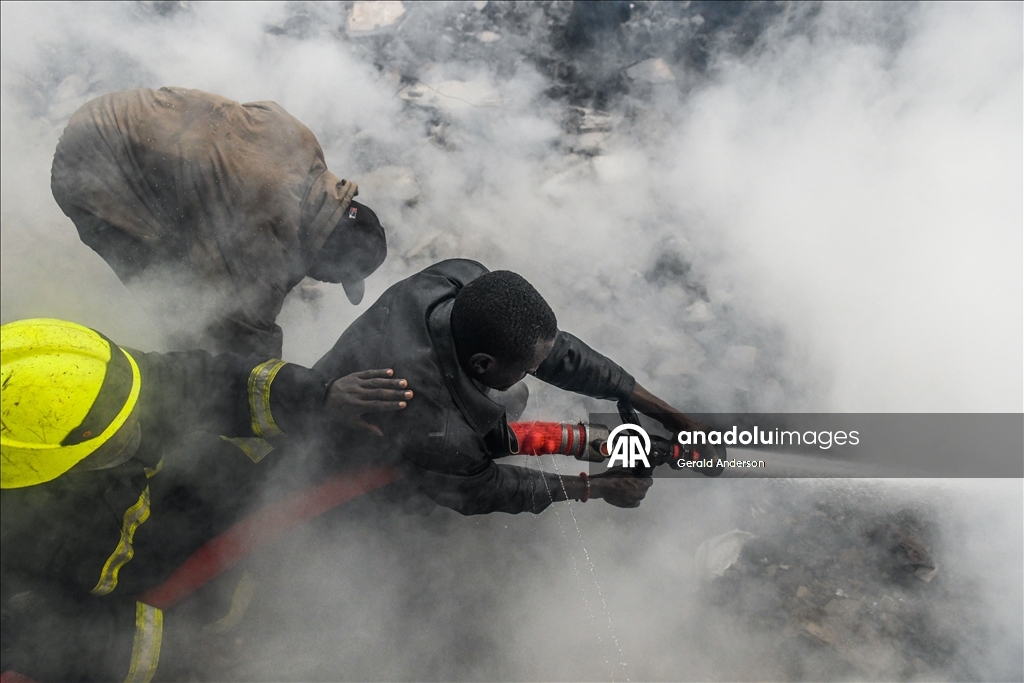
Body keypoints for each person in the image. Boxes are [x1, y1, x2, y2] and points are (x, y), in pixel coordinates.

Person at [0, 318, 411, 682]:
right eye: (114, 444)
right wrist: (182, 654)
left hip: (179, 515)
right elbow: (64, 640)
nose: (139, 431)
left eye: (130, 416)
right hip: (144, 596)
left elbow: (199, 382)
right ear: (40, 472)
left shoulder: (87, 383)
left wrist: (314, 397)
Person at [312, 259, 721, 515]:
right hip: (348, 454)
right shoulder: (438, 427)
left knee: (512, 396)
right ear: (481, 364)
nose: (539, 369)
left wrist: (669, 415)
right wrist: (596, 488)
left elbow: (557, 352)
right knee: (416, 500)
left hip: (406, 405)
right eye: (529, 367)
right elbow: (482, 492)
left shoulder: (458, 281)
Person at [50, 87, 387, 357]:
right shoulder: (261, 240)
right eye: (330, 277)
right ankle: (177, 375)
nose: (320, 280)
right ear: (326, 257)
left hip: (119, 109)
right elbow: (249, 340)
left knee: (206, 234)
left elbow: (254, 118)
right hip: (90, 165)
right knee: (175, 295)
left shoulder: (305, 142)